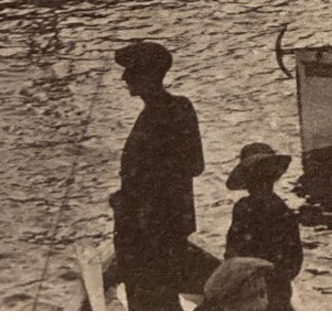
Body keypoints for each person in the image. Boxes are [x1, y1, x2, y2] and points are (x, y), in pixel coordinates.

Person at [111, 41, 208, 311]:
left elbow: (192, 165)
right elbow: (192, 165)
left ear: (149, 76)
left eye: (131, 71)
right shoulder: (174, 109)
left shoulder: (167, 111)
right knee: (158, 298)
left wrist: (135, 197)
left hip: (150, 229)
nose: (124, 77)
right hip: (160, 225)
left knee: (150, 300)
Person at [223, 142, 303, 311]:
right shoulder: (283, 210)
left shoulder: (243, 208)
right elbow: (294, 262)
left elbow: (232, 255)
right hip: (278, 291)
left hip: (252, 290)